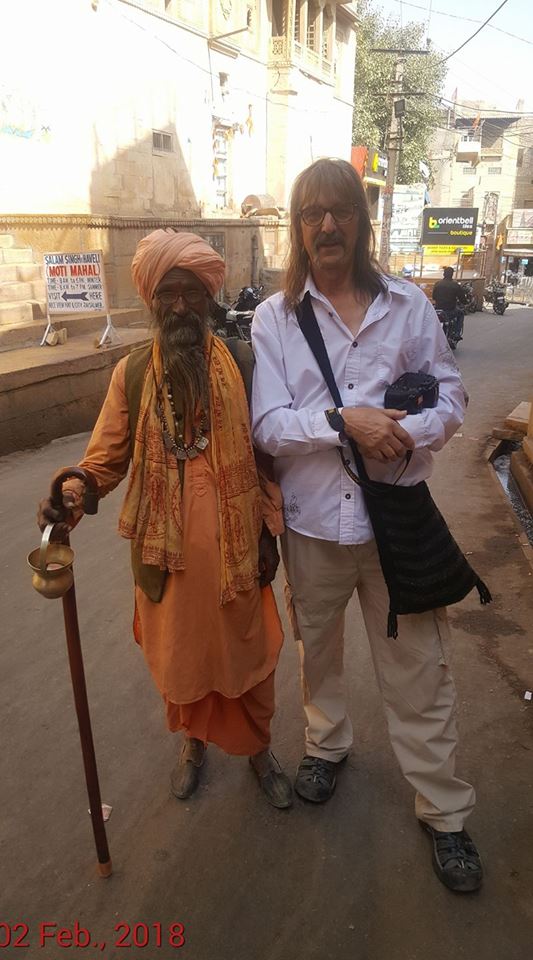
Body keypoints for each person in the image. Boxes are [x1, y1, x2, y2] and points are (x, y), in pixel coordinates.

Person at [251, 158, 483, 891]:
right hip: (313, 527)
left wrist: (405, 432)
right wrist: (344, 422)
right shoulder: (274, 317)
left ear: (361, 221)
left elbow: (451, 396)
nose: (327, 225)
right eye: (312, 213)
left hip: (395, 526)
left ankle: (444, 811)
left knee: (420, 670)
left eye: (341, 210)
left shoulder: (409, 307)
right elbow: (268, 424)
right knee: (316, 653)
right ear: (298, 227)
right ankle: (326, 745)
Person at [37, 229, 293, 810]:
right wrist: (71, 493)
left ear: (208, 297)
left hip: (238, 556)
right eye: (168, 294)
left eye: (191, 293)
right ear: (153, 300)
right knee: (183, 662)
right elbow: (103, 461)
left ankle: (259, 752)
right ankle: (193, 745)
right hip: (166, 563)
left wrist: (269, 532)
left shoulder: (244, 363)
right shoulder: (130, 374)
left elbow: (266, 453)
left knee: (251, 661)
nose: (180, 306)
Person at [432, 266, 468, 342]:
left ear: (444, 274)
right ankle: (457, 333)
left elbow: (434, 297)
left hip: (438, 309)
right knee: (461, 314)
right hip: (450, 310)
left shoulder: (437, 284)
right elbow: (462, 298)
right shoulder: (455, 285)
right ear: (452, 274)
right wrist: (465, 303)